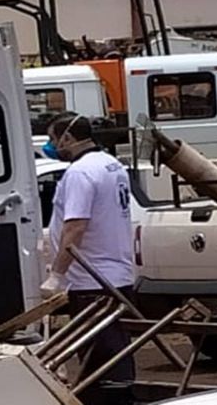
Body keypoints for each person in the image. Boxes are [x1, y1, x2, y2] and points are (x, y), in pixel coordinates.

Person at [39, 113, 135, 405]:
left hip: (92, 279)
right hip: (116, 273)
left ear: (68, 138)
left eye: (54, 139)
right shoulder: (111, 164)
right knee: (116, 350)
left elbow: (75, 227)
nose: (52, 146)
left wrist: (57, 274)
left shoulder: (80, 173)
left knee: (99, 359)